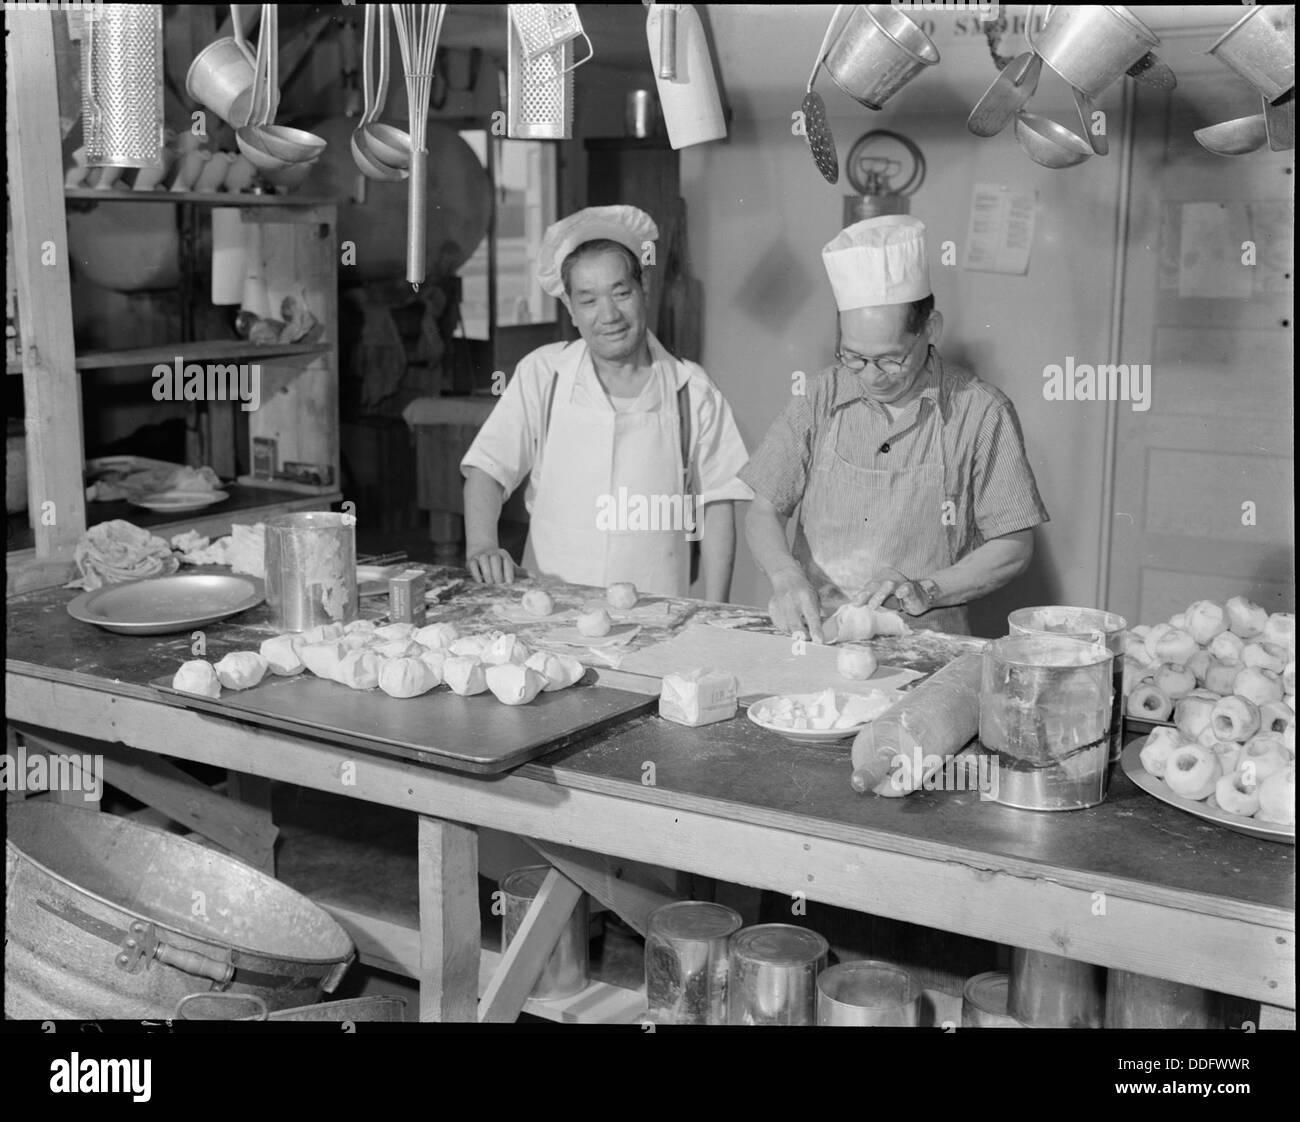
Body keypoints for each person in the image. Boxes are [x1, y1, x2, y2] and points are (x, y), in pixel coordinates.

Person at [741, 214, 1048, 640]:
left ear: (930, 329)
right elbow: (762, 511)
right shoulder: (819, 398)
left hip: (926, 644)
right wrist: (785, 575)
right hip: (816, 638)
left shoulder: (980, 412)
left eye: (891, 359)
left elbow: (1013, 546)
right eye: (854, 357)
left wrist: (928, 589)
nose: (871, 376)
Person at [461, 205, 751, 600]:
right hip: (551, 608)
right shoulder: (544, 375)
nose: (609, 315)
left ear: (643, 287)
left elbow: (718, 505)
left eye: (621, 292)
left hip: (657, 611)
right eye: (589, 300)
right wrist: (481, 544)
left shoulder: (692, 391)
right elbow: (487, 468)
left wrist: (717, 612)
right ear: (571, 309)